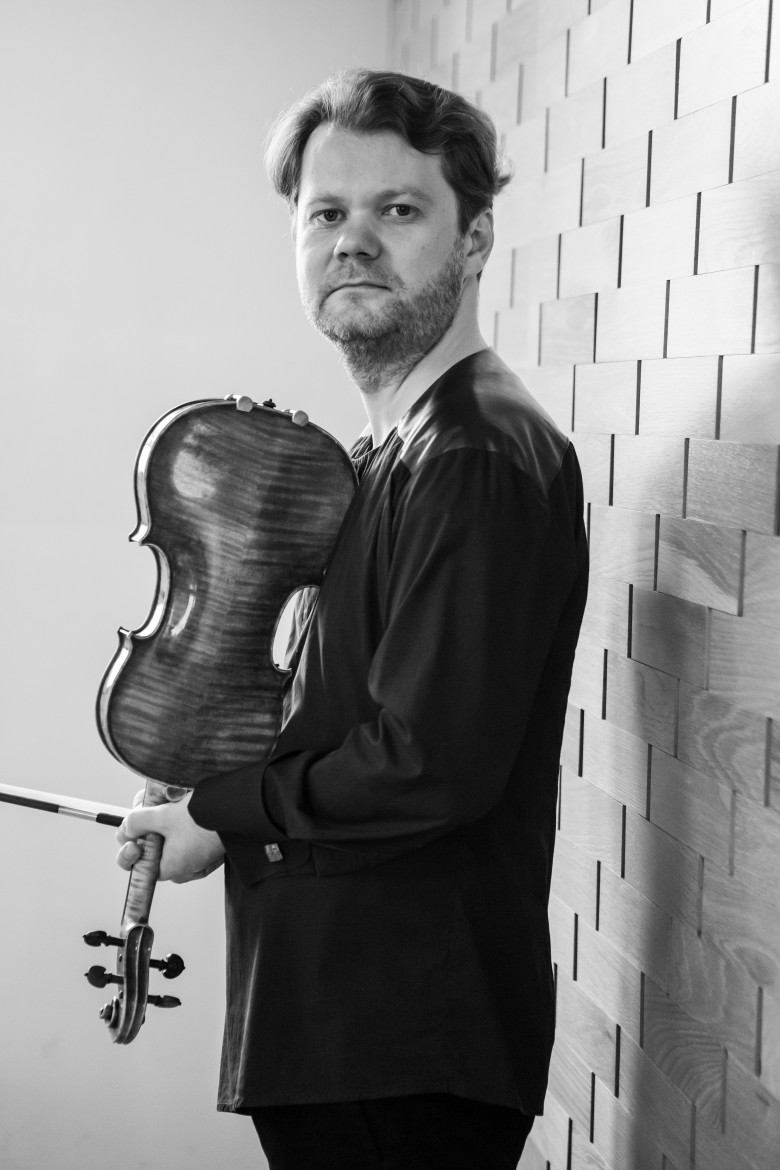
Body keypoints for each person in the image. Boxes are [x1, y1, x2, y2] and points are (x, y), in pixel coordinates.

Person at [117, 69, 589, 1170]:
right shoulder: (391, 449)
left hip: (398, 1042)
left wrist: (224, 812)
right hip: (354, 1034)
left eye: (399, 209)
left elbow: (426, 763)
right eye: (325, 213)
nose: (353, 242)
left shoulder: (472, 457)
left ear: (475, 239)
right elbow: (349, 716)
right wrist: (208, 782)